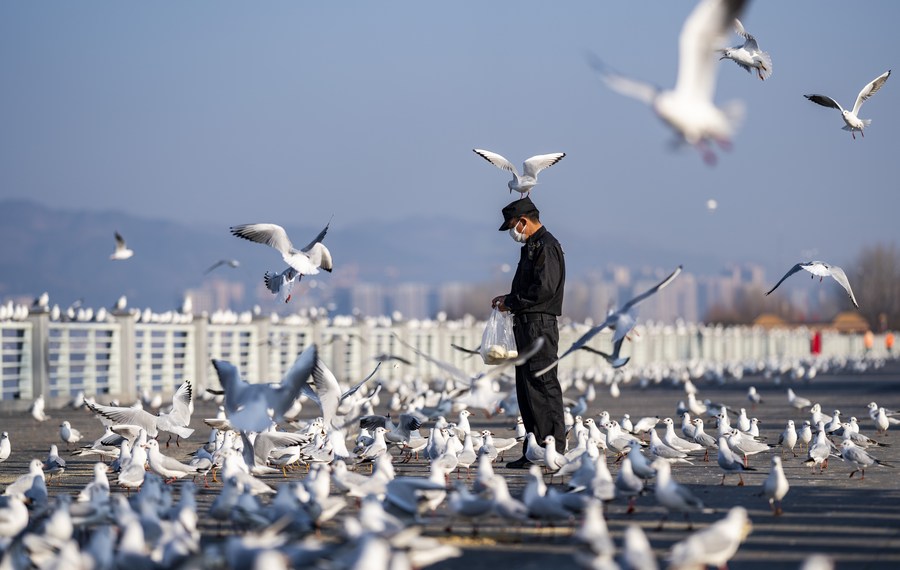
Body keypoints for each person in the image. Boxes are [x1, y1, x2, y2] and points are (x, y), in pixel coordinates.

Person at [491, 196, 566, 468]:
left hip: (540, 324)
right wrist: (508, 299)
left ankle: (553, 448)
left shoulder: (547, 247)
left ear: (523, 221)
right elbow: (528, 288)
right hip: (526, 323)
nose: (513, 232)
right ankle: (533, 450)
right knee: (526, 388)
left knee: (543, 384)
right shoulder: (532, 247)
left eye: (513, 226)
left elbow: (543, 290)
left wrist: (511, 302)